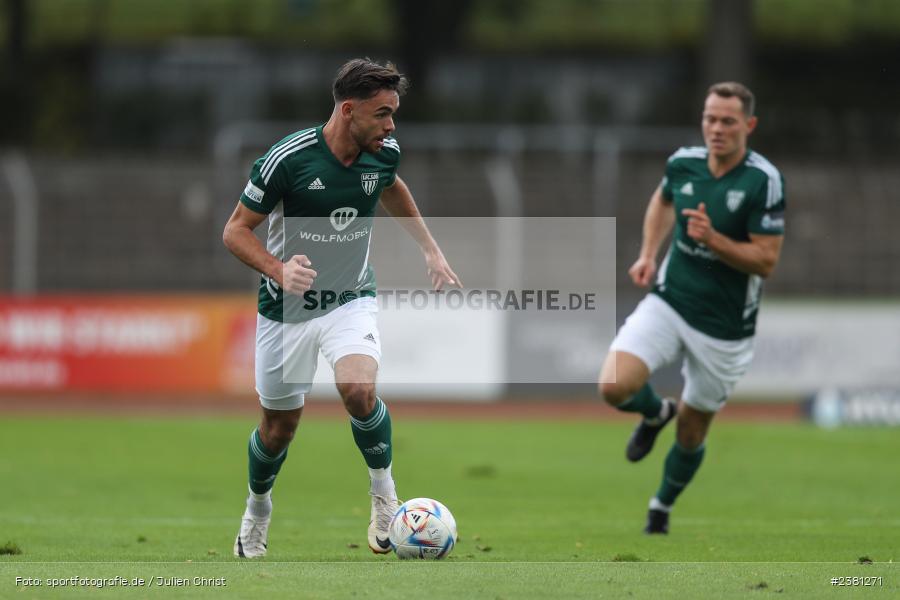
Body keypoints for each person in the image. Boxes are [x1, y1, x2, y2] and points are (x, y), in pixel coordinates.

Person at [222, 58, 460, 557]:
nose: (391, 126)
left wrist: (430, 248)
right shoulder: (286, 160)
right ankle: (257, 511)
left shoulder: (384, 151)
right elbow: (235, 230)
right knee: (278, 429)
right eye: (382, 114)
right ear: (348, 110)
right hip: (285, 311)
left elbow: (392, 186)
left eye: (394, 113)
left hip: (349, 298)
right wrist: (278, 269)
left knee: (357, 388)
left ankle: (384, 495)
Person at [598, 82, 785, 534]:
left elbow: (766, 260)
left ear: (749, 126)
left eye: (727, 121)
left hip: (724, 328)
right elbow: (663, 201)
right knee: (613, 384)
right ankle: (654, 411)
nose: (716, 129)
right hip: (670, 300)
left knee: (693, 431)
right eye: (710, 119)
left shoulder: (764, 180)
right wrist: (647, 253)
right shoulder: (684, 163)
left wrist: (714, 239)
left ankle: (660, 506)